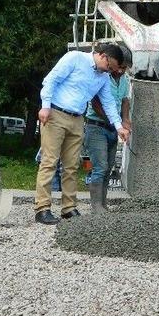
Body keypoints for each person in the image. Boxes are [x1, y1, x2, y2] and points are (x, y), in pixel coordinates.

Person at [35, 43, 130, 225]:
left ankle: (68, 208)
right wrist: (45, 106)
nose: (110, 72)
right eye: (109, 67)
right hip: (56, 113)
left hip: (77, 119)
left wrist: (119, 127)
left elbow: (109, 103)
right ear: (103, 56)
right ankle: (42, 208)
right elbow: (51, 79)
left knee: (71, 165)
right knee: (49, 162)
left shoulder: (103, 77)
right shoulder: (75, 58)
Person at [83, 49, 131, 214]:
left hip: (112, 129)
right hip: (96, 127)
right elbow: (96, 103)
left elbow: (125, 100)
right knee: (100, 166)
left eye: (124, 68)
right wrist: (114, 122)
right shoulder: (103, 75)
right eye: (119, 67)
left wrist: (125, 120)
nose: (121, 71)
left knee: (108, 167)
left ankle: (103, 205)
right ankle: (96, 206)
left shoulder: (124, 80)